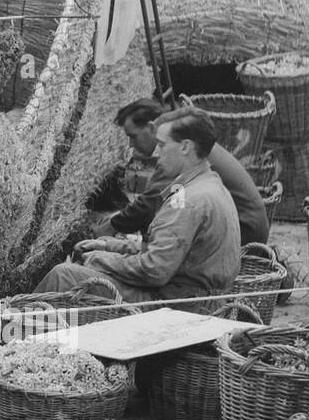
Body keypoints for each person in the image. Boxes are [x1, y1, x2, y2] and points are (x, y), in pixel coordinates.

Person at [36, 110, 241, 305]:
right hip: (192, 296)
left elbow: (155, 270)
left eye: (162, 144)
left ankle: (11, 333)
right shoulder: (208, 184)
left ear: (185, 147)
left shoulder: (188, 201)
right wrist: (110, 246)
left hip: (175, 305)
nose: (156, 152)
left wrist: (100, 259)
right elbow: (171, 250)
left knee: (64, 275)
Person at [109, 99, 271, 246]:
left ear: (151, 127)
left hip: (244, 233)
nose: (131, 144)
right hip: (246, 225)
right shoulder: (183, 137)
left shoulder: (177, 149)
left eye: (133, 136)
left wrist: (108, 228)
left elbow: (150, 204)